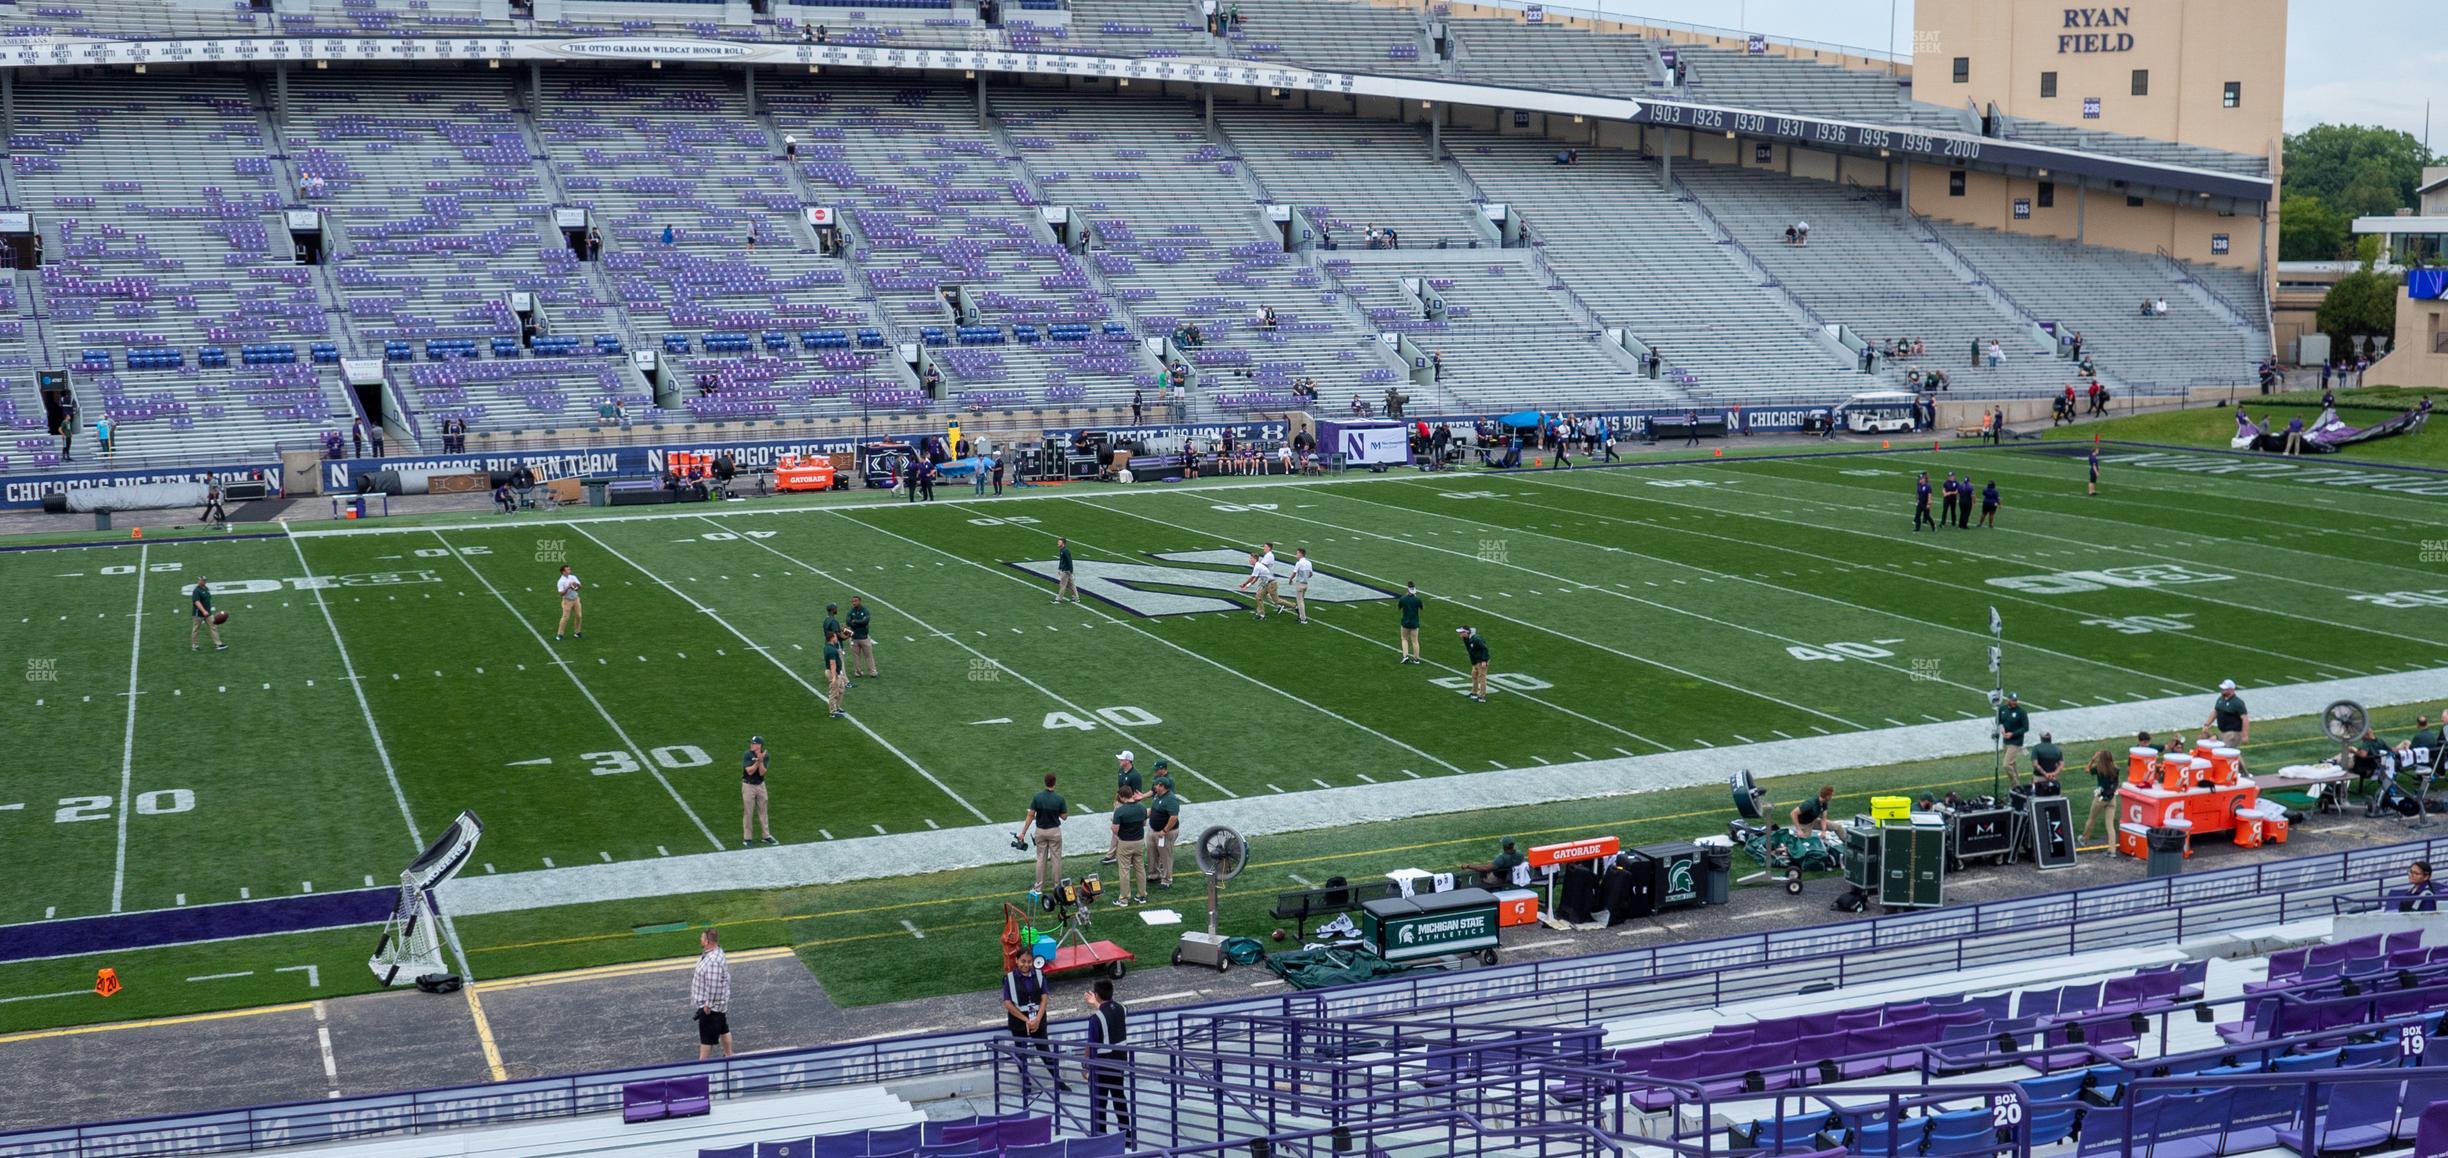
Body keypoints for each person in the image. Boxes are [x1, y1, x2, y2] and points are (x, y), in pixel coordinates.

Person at [1002, 951, 1064, 1096]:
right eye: (1023, 961)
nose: (1026, 965)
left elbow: (1044, 998)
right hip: (1019, 1021)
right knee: (1021, 1054)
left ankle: (1059, 1082)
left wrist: (1037, 1019)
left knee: (1045, 1052)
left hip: (1038, 1020)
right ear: (1016, 960)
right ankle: (1026, 1084)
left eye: (1029, 962)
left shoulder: (1040, 975)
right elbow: (1007, 1003)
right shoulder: (1009, 978)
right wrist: (1026, 1020)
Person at [1083, 979, 1131, 1140]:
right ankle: (1127, 1135)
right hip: (1120, 1062)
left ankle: (1100, 1136)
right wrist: (1097, 1004)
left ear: (1096, 995)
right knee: (1119, 1098)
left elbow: (1091, 1045)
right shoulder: (1122, 1009)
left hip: (1101, 1066)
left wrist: (1085, 1066)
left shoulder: (1095, 1018)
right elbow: (1110, 1011)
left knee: (1099, 1102)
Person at [690, 928, 735, 1059]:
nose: (700, 939)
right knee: (723, 1029)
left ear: (707, 941)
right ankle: (729, 1055)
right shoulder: (715, 952)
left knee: (706, 1039)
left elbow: (713, 984)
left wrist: (708, 1005)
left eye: (702, 938)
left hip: (710, 1007)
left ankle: (703, 1066)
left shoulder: (713, 960)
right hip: (718, 1004)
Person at [1018, 773, 1067, 892]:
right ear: (1054, 783)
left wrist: (1023, 832)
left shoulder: (1037, 797)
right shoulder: (1059, 799)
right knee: (1056, 859)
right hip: (1054, 831)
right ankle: (1057, 886)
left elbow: (1030, 815)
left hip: (1040, 832)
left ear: (1045, 782)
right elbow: (1064, 817)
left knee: (1040, 859)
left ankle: (1038, 886)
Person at [1109, 789, 1148, 907]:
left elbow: (1115, 829)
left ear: (1122, 797)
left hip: (1125, 842)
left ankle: (1124, 898)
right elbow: (1144, 824)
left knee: (1124, 870)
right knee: (1140, 868)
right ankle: (1142, 895)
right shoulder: (1142, 807)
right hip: (1139, 841)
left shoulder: (1120, 811)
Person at [1145, 775, 1179, 890]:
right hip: (1153, 830)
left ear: (1162, 786)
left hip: (1165, 833)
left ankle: (1167, 879)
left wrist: (1164, 830)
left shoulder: (1171, 799)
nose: (1154, 787)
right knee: (1151, 853)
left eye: (1156, 785)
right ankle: (1154, 874)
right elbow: (1153, 810)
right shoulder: (1157, 796)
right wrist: (1143, 816)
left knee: (1165, 856)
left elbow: (1173, 817)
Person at [2080, 749, 2120, 842]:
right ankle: (2112, 848)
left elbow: (2087, 769)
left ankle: (2085, 839)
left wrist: (2093, 759)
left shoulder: (2098, 768)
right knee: (2110, 825)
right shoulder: (2116, 769)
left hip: (2100, 798)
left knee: (2091, 818)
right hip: (2111, 798)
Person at [740, 736, 774, 846]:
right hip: (748, 785)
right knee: (748, 812)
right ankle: (747, 838)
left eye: (753, 743)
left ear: (759, 745)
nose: (751, 745)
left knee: (763, 811)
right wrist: (758, 761)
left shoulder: (766, 755)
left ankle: (766, 836)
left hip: (760, 785)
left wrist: (761, 760)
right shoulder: (747, 754)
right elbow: (749, 771)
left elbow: (762, 772)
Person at [1462, 836, 1528, 890]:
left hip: (1499, 880)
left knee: (1480, 873)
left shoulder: (1502, 858)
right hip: (1513, 877)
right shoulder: (1520, 854)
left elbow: (1485, 868)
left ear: (1504, 846)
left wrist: (1468, 865)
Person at [1995, 692, 2030, 786]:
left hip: (2016, 742)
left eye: (2015, 700)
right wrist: (2001, 727)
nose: (2014, 702)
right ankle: (2017, 785)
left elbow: (2026, 728)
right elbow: (1998, 720)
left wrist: (2013, 734)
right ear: (2008, 700)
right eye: (2012, 700)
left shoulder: (2021, 712)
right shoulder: (2002, 709)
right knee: (2012, 764)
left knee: (2006, 764)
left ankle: (2015, 785)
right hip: (2005, 741)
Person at [2205, 679, 2249, 750]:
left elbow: (2245, 719)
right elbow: (2215, 711)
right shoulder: (2221, 699)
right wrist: (2207, 724)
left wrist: (2245, 735)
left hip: (2233, 733)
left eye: (2225, 689)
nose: (2222, 690)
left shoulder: (2237, 703)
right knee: (2224, 752)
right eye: (2222, 688)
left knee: (2226, 751)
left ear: (2231, 690)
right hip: (2222, 732)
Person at [190, 575, 226, 652]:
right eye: (202, 580)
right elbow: (197, 602)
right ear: (198, 581)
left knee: (214, 626)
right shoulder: (196, 591)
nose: (204, 581)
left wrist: (207, 611)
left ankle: (218, 644)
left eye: (204, 580)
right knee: (196, 629)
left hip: (208, 613)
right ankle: (194, 645)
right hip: (198, 614)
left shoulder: (206, 588)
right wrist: (203, 611)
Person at [1237, 550, 1273, 620]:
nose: (1249, 560)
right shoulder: (1257, 565)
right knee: (1259, 596)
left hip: (1268, 582)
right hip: (1266, 582)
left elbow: (1253, 578)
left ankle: (1261, 615)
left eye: (1251, 558)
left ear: (1255, 559)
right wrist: (1245, 584)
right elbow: (1255, 578)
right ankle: (1260, 612)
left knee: (1258, 597)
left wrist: (1246, 586)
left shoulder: (1257, 566)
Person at [1458, 624, 1490, 702]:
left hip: (1482, 660)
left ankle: (1482, 697)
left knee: (1482, 677)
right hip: (1476, 660)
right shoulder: (1466, 638)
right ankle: (1474, 693)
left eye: (1461, 632)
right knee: (1474, 675)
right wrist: (1473, 662)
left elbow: (1484, 649)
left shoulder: (1476, 639)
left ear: (1467, 632)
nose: (1460, 634)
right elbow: (1470, 651)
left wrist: (1484, 660)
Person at [846, 596, 876, 678]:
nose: (854, 603)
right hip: (854, 638)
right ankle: (858, 672)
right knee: (856, 656)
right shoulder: (851, 611)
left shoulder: (865, 611)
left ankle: (872, 672)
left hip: (864, 637)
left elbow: (865, 621)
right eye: (853, 601)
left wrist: (855, 621)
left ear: (860, 601)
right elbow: (848, 622)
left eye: (855, 601)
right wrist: (859, 622)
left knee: (868, 655)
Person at [1396, 581, 1424, 664]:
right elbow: (1421, 608)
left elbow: (1399, 607)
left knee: (1404, 639)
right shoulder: (1418, 600)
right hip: (1414, 622)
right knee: (1415, 641)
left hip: (1405, 622)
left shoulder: (1403, 599)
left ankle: (1405, 656)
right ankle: (1416, 659)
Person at [2029, 731, 2065, 795]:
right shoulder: (2057, 748)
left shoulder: (2036, 748)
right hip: (2053, 778)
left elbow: (2035, 764)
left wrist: (2045, 774)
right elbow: (2061, 765)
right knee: (2053, 795)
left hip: (2039, 778)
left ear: (2041, 738)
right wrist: (2053, 774)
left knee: (2036, 795)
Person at [554, 564, 583, 640]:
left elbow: (580, 586)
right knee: (565, 617)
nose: (569, 570)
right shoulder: (560, 581)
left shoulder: (573, 577)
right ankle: (560, 634)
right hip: (567, 601)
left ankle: (577, 632)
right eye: (567, 569)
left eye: (569, 569)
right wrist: (568, 587)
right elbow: (561, 593)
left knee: (579, 616)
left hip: (576, 599)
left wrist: (576, 585)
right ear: (563, 572)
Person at [823, 628, 846, 719]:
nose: (837, 638)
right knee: (834, 692)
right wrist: (833, 677)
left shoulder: (829, 647)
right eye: (835, 637)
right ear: (832, 638)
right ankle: (832, 711)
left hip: (836, 672)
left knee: (841, 689)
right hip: (833, 672)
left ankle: (837, 707)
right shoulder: (831, 650)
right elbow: (832, 664)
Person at [1288, 547, 1314, 624]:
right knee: (1301, 600)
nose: (1296, 555)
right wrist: (1305, 577)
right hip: (1306, 584)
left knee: (1300, 602)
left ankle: (1303, 619)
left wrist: (1290, 579)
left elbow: (1294, 573)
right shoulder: (1309, 563)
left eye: (1297, 553)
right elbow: (1311, 574)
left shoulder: (1299, 563)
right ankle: (1300, 617)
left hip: (1299, 584)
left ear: (1300, 554)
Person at [1051, 537, 1077, 604]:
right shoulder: (1062, 550)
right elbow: (1062, 560)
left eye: (1059, 542)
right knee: (1071, 585)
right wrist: (1059, 568)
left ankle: (1058, 599)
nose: (1058, 543)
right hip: (1065, 570)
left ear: (1063, 543)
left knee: (1062, 585)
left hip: (1066, 571)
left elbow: (1069, 561)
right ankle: (1076, 598)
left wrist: (1071, 571)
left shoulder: (1065, 551)